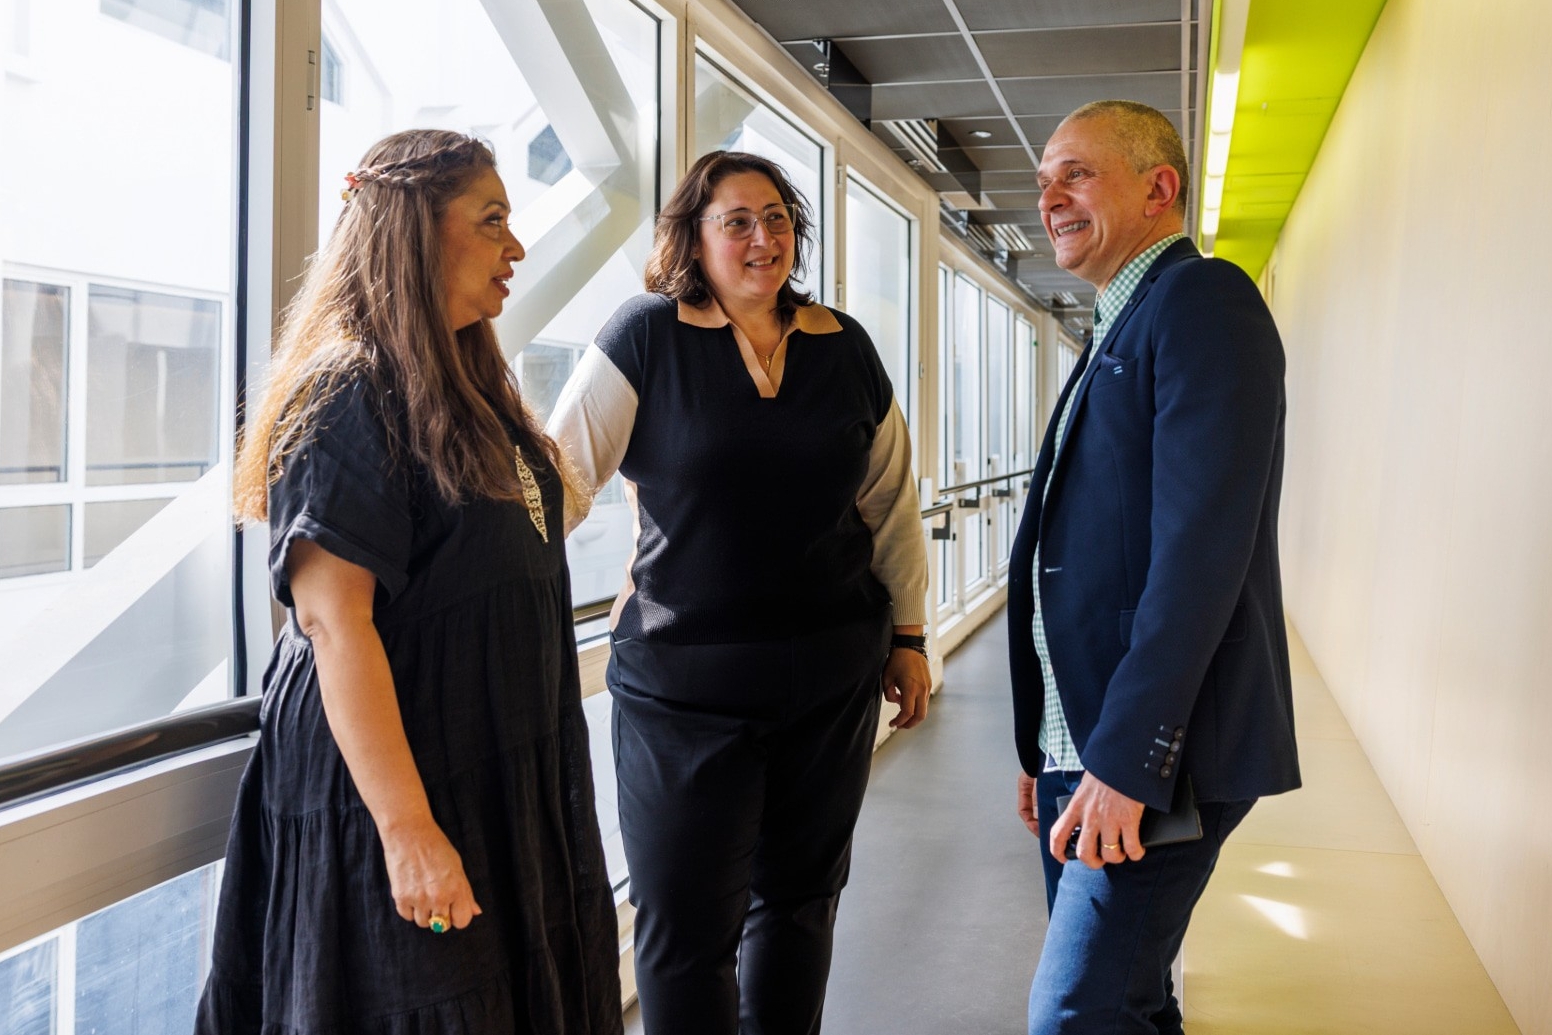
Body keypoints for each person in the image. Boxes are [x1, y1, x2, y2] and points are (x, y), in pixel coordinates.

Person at [196, 129, 622, 1035]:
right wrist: (408, 832)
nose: (517, 248)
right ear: (413, 232)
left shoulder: (472, 389)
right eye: (492, 220)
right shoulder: (348, 391)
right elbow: (331, 620)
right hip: (402, 789)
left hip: (497, 768)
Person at [546, 150, 930, 1035]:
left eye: (778, 218)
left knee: (800, 903)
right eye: (738, 222)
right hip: (682, 690)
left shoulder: (844, 346)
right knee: (686, 923)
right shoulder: (645, 335)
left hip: (827, 683)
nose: (764, 239)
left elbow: (891, 506)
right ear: (695, 236)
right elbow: (559, 482)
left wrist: (909, 636)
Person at [1007, 100, 1301, 1034]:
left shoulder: (1203, 301)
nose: (1049, 196)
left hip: (1154, 754)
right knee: (1131, 996)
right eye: (1045, 178)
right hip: (1086, 743)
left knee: (1075, 1011)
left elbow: (1199, 554)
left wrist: (1129, 757)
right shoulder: (1116, 325)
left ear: (1159, 187)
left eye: (1076, 174)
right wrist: (1046, 745)